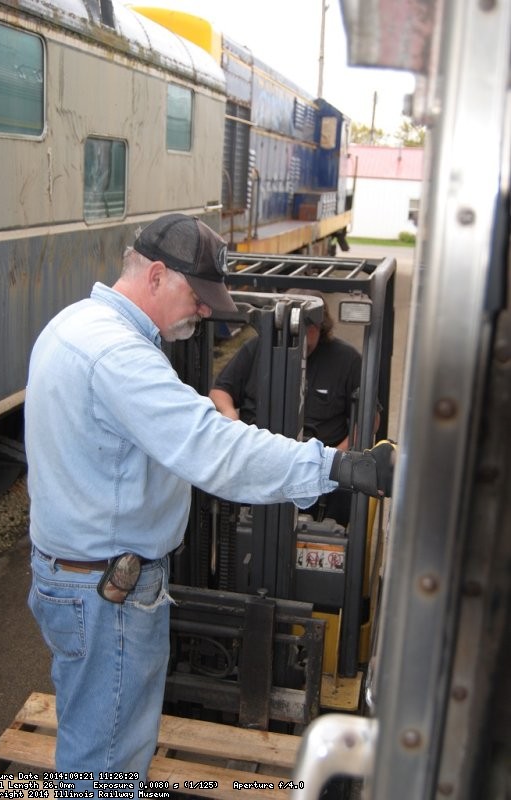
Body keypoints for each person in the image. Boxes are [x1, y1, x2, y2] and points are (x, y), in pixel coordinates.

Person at [25, 213, 394, 784]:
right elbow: (214, 449)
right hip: (107, 599)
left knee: (91, 744)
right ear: (154, 275)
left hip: (75, 579)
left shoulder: (74, 324)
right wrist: (337, 465)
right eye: (196, 295)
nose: (203, 311)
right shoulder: (120, 357)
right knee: (105, 768)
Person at [210, 291, 379, 524]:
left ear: (321, 327)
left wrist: (340, 457)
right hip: (259, 460)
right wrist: (231, 417)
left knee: (346, 492)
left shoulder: (347, 360)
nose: (301, 336)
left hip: (320, 468)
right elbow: (220, 392)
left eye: (308, 329)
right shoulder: (256, 348)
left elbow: (371, 417)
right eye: (295, 328)